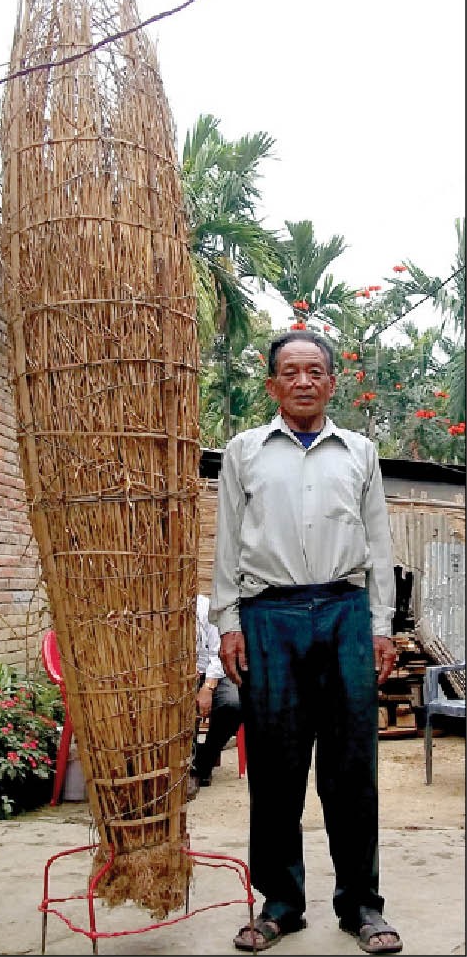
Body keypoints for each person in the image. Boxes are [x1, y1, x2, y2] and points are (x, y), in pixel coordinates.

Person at [209, 330, 402, 955]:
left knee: (352, 769)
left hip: (345, 612)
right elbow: (226, 546)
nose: (303, 382)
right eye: (290, 372)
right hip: (271, 616)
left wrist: (381, 627)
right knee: (275, 768)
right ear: (273, 384)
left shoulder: (360, 453)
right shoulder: (244, 453)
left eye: (314, 371)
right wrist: (229, 623)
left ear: (330, 382)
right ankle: (281, 904)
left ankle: (361, 906)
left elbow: (378, 547)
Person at [187, 593, 242, 802]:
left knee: (233, 704)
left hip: (214, 671)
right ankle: (185, 766)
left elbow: (217, 652)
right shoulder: (158, 610)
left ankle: (201, 764)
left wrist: (208, 687)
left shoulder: (205, 608)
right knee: (178, 706)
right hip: (179, 676)